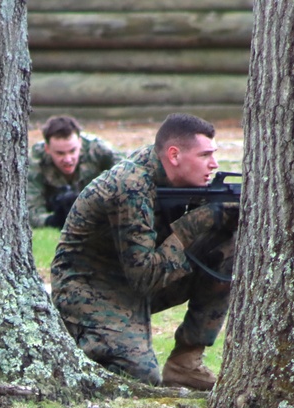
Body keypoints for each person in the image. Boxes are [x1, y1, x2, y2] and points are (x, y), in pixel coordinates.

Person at [51, 113, 240, 391]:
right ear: (174, 155)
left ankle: (185, 362)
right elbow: (145, 277)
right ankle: (86, 343)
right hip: (89, 290)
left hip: (131, 282)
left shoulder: (167, 175)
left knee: (227, 244)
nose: (214, 164)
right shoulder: (130, 186)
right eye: (204, 155)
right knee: (141, 376)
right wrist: (199, 220)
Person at [26, 115, 124, 229]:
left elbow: (127, 181)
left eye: (72, 151)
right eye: (60, 153)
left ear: (80, 143)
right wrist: (51, 221)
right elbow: (30, 212)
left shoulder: (100, 150)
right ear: (47, 149)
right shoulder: (34, 160)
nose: (68, 159)